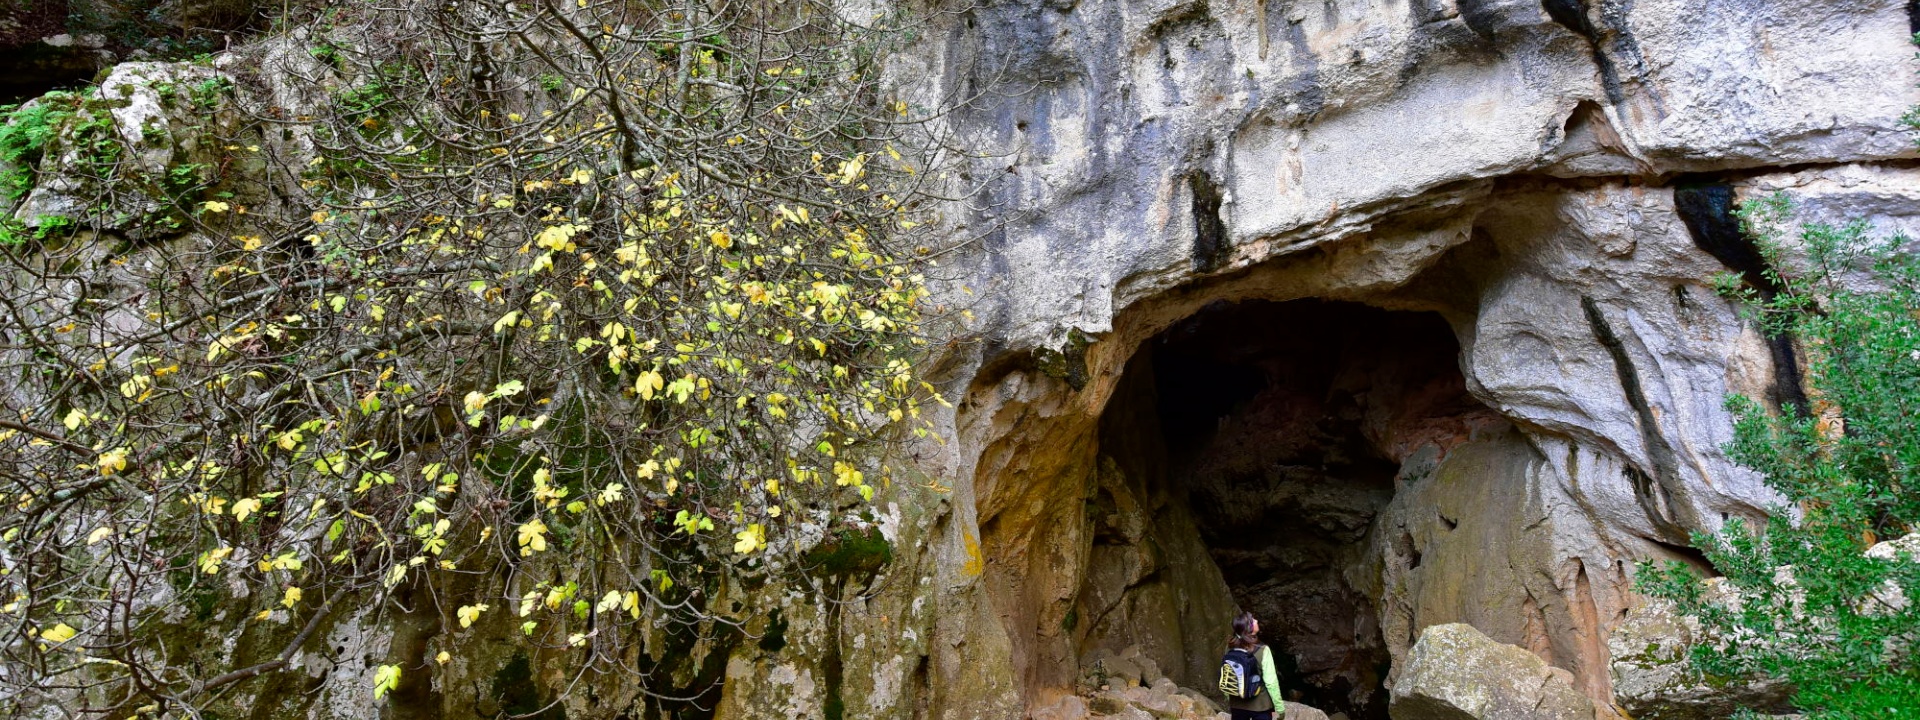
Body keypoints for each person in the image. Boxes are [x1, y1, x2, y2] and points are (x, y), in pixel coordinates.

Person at [1222, 612, 1284, 720]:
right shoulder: (1263, 650)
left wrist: (1230, 697)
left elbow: (1227, 674)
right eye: (1253, 620)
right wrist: (1280, 708)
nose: (1256, 621)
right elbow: (1271, 682)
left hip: (1237, 705)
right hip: (1260, 706)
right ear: (1248, 628)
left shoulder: (1229, 648)